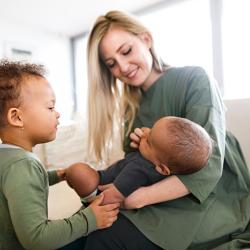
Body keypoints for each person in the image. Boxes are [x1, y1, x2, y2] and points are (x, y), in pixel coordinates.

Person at [82, 10, 250, 250]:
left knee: (105, 237)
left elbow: (209, 165)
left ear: (146, 40)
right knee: (79, 230)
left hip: (212, 200)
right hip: (154, 196)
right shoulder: (131, 111)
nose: (123, 67)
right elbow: (135, 169)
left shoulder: (194, 78)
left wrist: (138, 198)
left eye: (126, 51)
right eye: (111, 64)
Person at [0, 60, 119, 250]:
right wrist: (90, 219)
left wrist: (57, 175)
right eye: (50, 107)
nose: (57, 114)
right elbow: (37, 239)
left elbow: (19, 186)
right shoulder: (23, 165)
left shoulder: (7, 159)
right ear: (17, 117)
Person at [66, 116, 213, 205]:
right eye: (151, 129)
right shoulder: (156, 158)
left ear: (162, 169)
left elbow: (115, 196)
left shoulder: (139, 170)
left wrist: (93, 204)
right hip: (104, 178)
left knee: (77, 171)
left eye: (148, 140)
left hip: (100, 185)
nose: (145, 133)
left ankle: (76, 184)